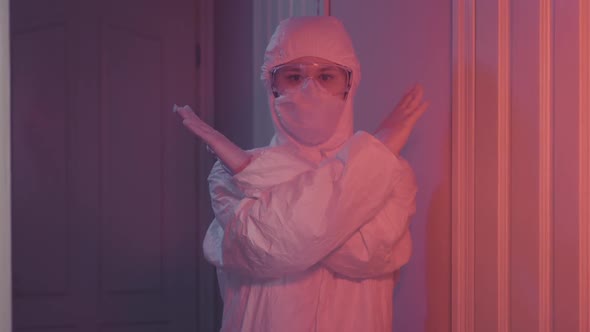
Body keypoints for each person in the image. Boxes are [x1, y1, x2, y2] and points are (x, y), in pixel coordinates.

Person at [175, 16, 428, 332]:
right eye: (293, 77)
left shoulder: (394, 175)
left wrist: (253, 174)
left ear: (350, 83)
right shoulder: (226, 177)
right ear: (271, 86)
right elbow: (274, 246)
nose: (311, 89)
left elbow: (364, 254)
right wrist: (374, 155)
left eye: (326, 76)